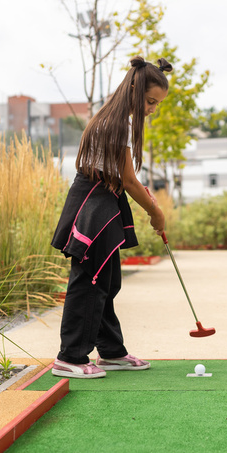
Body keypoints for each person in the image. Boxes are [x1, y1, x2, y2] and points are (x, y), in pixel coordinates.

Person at [50, 56, 172, 379]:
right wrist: (155, 212)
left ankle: (112, 351)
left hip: (103, 197)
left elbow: (122, 173)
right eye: (150, 101)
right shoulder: (120, 122)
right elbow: (129, 181)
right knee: (89, 280)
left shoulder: (115, 117)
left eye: (157, 104)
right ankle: (70, 357)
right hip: (94, 199)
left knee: (106, 280)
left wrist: (145, 195)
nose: (152, 109)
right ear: (134, 90)